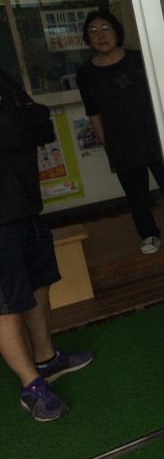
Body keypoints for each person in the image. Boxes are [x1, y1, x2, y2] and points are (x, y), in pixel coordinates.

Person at [0, 68, 94, 421]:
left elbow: (41, 124)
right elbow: (15, 128)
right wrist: (28, 119)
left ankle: (46, 359)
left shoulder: (3, 76)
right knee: (6, 303)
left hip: (25, 203)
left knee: (40, 281)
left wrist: (28, 118)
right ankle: (32, 386)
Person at [76, 10, 164, 255]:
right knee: (136, 195)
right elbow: (93, 114)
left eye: (105, 28)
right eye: (93, 31)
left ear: (117, 33)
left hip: (156, 136)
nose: (100, 35)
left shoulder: (139, 59)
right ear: (87, 39)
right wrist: (108, 146)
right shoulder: (85, 73)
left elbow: (163, 93)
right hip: (122, 142)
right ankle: (149, 235)